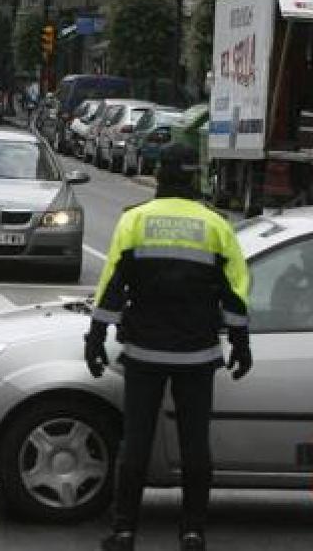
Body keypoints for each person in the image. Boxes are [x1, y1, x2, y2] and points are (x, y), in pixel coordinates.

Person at [86, 143, 251, 551]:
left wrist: (94, 338)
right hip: (197, 355)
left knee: (136, 443)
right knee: (195, 445)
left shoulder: (134, 221)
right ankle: (192, 531)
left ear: (159, 176)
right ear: (194, 178)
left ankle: (124, 530)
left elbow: (111, 287)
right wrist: (241, 344)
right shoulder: (216, 225)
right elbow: (235, 295)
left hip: (144, 354)